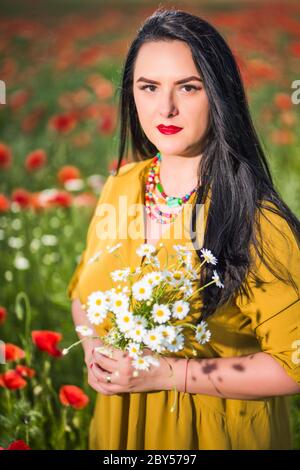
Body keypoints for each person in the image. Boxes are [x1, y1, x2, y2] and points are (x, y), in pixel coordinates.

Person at [67, 8, 300, 450]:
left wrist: (169, 374)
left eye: (188, 88)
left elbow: (295, 364)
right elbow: (84, 295)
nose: (165, 108)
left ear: (219, 94)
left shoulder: (256, 218)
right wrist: (95, 349)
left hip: (217, 433)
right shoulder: (119, 189)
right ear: (131, 95)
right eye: (149, 87)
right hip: (119, 431)